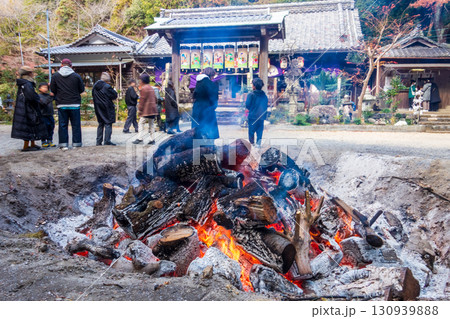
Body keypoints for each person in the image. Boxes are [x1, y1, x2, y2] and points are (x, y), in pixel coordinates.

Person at [50, 58, 85, 150]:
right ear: (71, 66)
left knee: (62, 125)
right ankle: (76, 144)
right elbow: (81, 89)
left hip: (61, 103)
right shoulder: (76, 76)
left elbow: (53, 89)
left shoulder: (55, 76)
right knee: (76, 125)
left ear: (61, 65)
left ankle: (63, 144)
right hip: (74, 103)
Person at [11, 66, 47, 152]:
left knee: (30, 125)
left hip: (23, 107)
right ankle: (26, 146)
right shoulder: (27, 84)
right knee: (29, 125)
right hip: (28, 108)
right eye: (31, 72)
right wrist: (39, 100)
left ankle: (32, 144)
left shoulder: (23, 83)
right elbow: (31, 96)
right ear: (28, 73)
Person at [192, 67, 219, 140]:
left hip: (197, 109)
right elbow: (214, 99)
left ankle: (197, 147)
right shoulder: (211, 84)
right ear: (211, 75)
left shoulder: (198, 83)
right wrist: (213, 107)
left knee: (197, 129)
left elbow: (194, 96)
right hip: (207, 109)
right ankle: (208, 147)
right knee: (208, 129)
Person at [92, 72, 118, 146]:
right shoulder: (107, 87)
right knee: (108, 123)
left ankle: (98, 141)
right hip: (107, 107)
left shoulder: (94, 86)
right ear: (107, 80)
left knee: (100, 124)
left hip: (98, 107)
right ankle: (107, 141)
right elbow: (114, 95)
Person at [133, 74, 158, 145]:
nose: (140, 81)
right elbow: (156, 99)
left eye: (140, 80)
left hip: (146, 110)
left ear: (143, 81)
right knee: (151, 124)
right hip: (153, 109)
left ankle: (140, 138)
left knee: (141, 123)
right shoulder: (151, 88)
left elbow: (142, 100)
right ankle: (152, 139)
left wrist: (139, 109)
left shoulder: (144, 89)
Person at [245, 78, 268, 147]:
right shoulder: (264, 95)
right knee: (259, 132)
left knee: (251, 132)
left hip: (252, 116)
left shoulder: (251, 95)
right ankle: (258, 146)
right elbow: (265, 105)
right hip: (261, 117)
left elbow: (247, 105)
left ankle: (252, 145)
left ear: (254, 86)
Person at [37, 83, 56, 147]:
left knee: (51, 127)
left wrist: (52, 88)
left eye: (46, 87)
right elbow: (44, 103)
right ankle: (43, 141)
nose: (45, 89)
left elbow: (56, 96)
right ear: (39, 88)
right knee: (44, 128)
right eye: (44, 87)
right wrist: (50, 97)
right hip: (43, 114)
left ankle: (50, 140)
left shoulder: (49, 95)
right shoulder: (38, 96)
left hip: (50, 114)